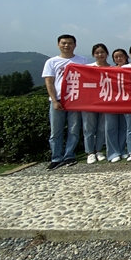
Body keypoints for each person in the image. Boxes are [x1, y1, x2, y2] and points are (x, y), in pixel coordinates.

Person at [42, 34, 89, 170]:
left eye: (69, 43)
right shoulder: (51, 62)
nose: (66, 45)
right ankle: (56, 157)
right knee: (55, 131)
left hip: (76, 100)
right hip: (57, 100)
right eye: (63, 43)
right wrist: (54, 100)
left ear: (75, 45)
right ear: (58, 45)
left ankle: (69, 155)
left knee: (74, 130)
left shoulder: (83, 60)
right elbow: (49, 83)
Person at [82, 43, 110, 164]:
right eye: (97, 53)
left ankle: (98, 150)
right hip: (89, 103)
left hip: (106, 102)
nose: (100, 55)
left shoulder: (112, 69)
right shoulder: (87, 68)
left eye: (102, 52)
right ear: (93, 54)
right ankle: (90, 152)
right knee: (89, 128)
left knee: (102, 128)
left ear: (107, 53)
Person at [107, 49, 130, 162]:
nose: (119, 58)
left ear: (126, 57)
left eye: (121, 56)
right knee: (111, 127)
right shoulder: (109, 70)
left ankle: (122, 149)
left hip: (127, 102)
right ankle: (113, 153)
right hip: (112, 102)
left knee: (124, 127)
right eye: (116, 57)